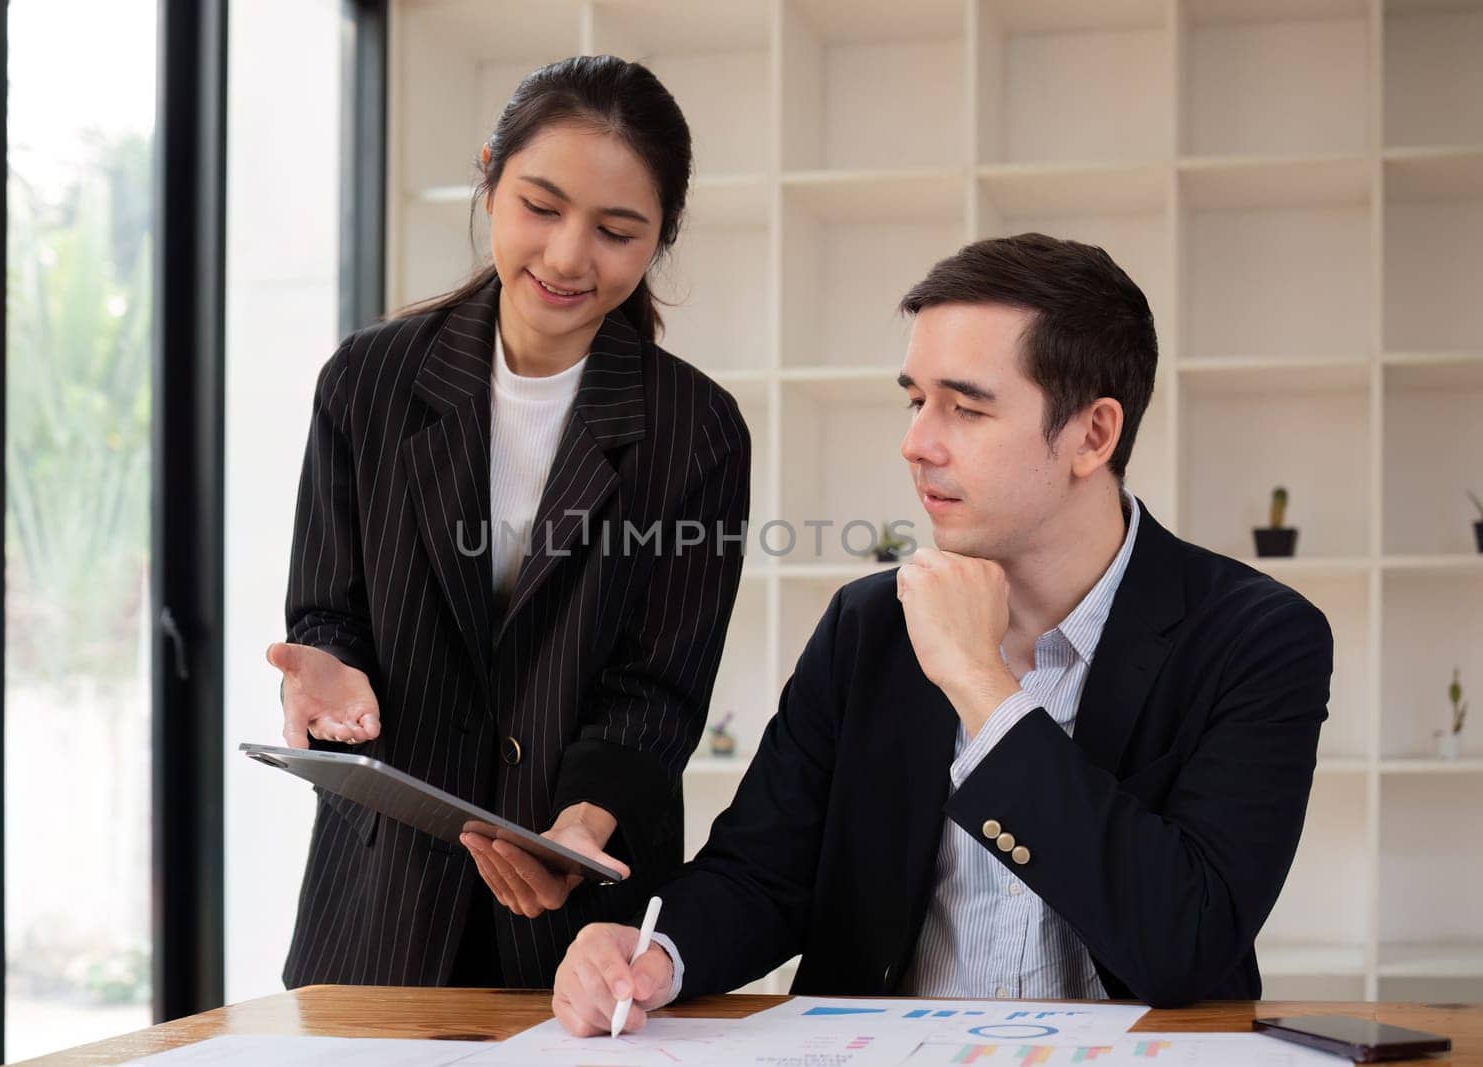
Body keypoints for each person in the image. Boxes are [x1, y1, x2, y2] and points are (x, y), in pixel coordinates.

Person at [550, 233, 1333, 1032]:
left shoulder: (1258, 638)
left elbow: (1185, 941)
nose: (916, 442)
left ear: (1093, 436)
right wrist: (652, 948)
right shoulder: (868, 625)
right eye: (916, 399)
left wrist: (979, 683)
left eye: (966, 407)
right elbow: (760, 875)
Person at [267, 55, 752, 988]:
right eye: (541, 206)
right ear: (488, 176)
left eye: (617, 230)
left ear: (660, 238)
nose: (570, 256)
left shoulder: (696, 430)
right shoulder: (368, 382)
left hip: (584, 921)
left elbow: (660, 685)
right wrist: (325, 669)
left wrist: (582, 821)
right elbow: (328, 608)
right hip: (382, 905)